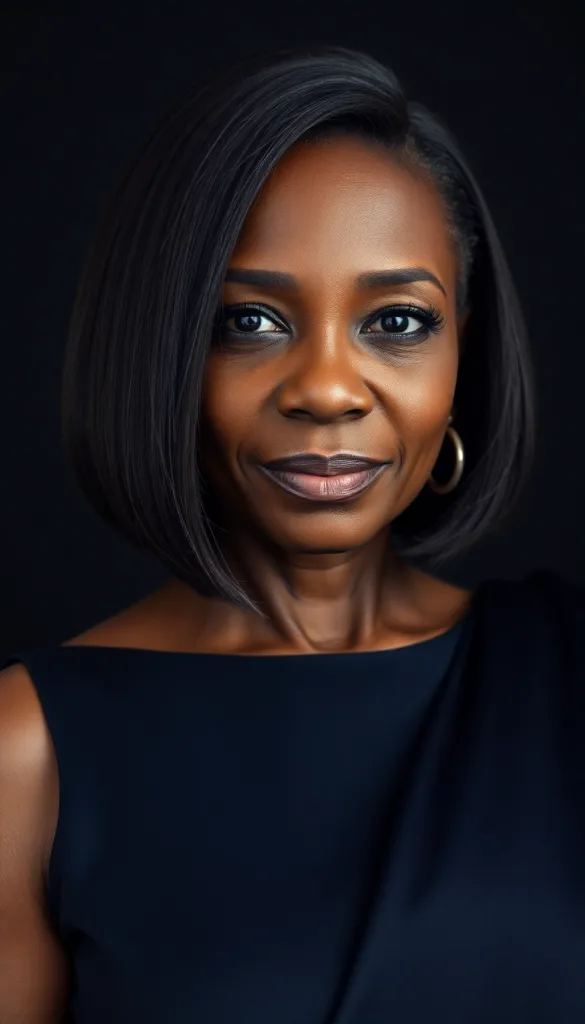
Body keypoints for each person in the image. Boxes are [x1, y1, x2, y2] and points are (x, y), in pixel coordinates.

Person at [0, 43, 584, 1024]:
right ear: (163, 349)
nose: (325, 389)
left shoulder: (562, 675)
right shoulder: (30, 752)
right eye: (251, 323)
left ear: (461, 355)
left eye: (397, 322)